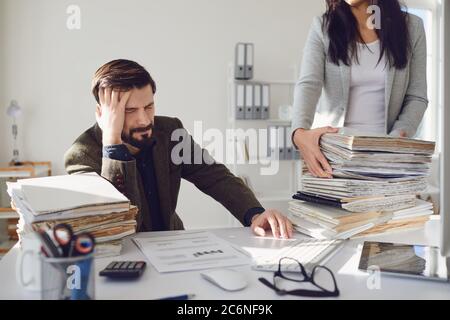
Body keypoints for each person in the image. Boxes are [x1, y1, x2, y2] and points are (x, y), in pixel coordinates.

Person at [64, 59, 293, 238]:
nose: (144, 120)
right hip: (122, 258)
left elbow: (214, 176)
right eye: (130, 111)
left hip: (173, 245)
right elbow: (115, 221)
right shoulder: (81, 156)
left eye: (149, 106)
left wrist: (254, 214)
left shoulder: (170, 131)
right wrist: (112, 143)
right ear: (102, 114)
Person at [292, 0, 428, 178]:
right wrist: (299, 132)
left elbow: (417, 96)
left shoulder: (412, 27)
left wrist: (396, 137)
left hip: (388, 160)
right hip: (332, 159)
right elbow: (309, 84)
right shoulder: (323, 27)